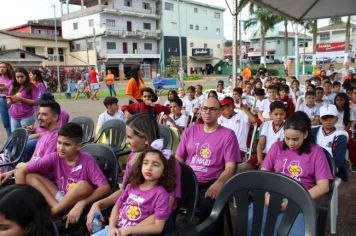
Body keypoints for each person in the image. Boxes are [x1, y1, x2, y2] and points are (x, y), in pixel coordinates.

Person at [86, 114, 181, 234]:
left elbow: (167, 205)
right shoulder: (133, 156)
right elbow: (124, 192)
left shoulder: (168, 162)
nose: (126, 142)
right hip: (127, 222)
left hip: (152, 225)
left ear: (145, 139)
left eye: (130, 137)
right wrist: (98, 204)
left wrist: (129, 231)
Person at [250, 111, 333, 235]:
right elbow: (264, 175)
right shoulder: (277, 147)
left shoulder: (316, 152)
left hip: (300, 199)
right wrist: (266, 195)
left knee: (292, 230)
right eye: (287, 138)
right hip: (274, 196)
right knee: (253, 223)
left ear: (305, 134)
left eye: (295, 139)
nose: (290, 143)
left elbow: (323, 186)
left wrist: (295, 200)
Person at [14, 123, 111, 227]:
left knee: (83, 185)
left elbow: (105, 187)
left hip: (78, 201)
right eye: (59, 143)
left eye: (67, 144)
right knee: (30, 176)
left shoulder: (87, 160)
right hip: (61, 198)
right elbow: (21, 170)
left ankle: (50, 214)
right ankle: (57, 210)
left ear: (78, 146)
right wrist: (22, 205)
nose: (61, 148)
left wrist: (82, 202)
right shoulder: (55, 156)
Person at [175, 97, 241, 233]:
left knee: (209, 205)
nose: (208, 112)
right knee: (162, 195)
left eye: (212, 109)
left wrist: (220, 182)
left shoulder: (228, 135)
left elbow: (230, 167)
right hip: (188, 181)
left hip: (210, 183)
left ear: (220, 112)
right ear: (200, 111)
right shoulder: (190, 131)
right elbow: (178, 159)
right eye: (204, 108)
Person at [92, 141, 176, 236]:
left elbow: (158, 227)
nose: (149, 167)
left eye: (155, 165)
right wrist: (111, 228)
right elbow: (116, 207)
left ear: (164, 172)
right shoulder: (131, 186)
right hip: (115, 230)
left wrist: (129, 230)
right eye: (145, 163)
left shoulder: (161, 194)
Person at [243, 101, 286, 170]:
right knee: (246, 167)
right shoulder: (266, 124)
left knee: (268, 171)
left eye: (281, 114)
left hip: (280, 156)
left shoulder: (287, 126)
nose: (279, 117)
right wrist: (260, 160)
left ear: (285, 114)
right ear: (270, 114)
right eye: (276, 114)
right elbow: (260, 144)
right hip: (265, 154)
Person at [312, 104, 348, 181]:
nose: (328, 120)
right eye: (325, 118)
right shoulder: (313, 131)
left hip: (331, 166)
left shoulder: (341, 135)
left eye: (331, 117)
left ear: (336, 119)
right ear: (320, 119)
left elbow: (338, 160)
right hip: (313, 164)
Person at [7, 67, 39, 131]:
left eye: (22, 77)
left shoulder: (32, 87)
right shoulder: (12, 86)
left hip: (27, 116)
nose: (19, 79)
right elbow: (8, 102)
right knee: (15, 136)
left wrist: (21, 99)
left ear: (26, 76)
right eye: (17, 77)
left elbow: (36, 102)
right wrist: (10, 101)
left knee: (25, 137)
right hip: (14, 116)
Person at [0, 62, 14, 137]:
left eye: (3, 67)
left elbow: (13, 89)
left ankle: (15, 141)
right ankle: (10, 144)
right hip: (1, 100)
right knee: (6, 123)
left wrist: (6, 88)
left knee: (13, 121)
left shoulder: (12, 78)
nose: (1, 69)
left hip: (11, 100)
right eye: (0, 67)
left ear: (8, 68)